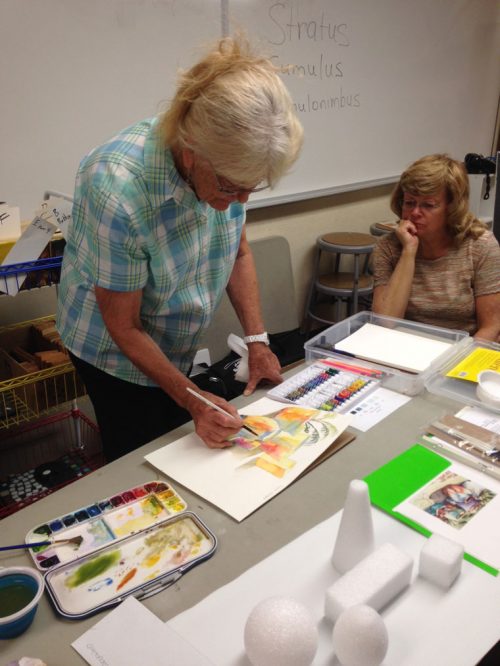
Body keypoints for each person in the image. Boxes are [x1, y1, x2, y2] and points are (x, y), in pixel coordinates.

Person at [56, 36, 303, 462]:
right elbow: (125, 328)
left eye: (252, 189)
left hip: (170, 338)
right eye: (231, 187)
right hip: (113, 350)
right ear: (191, 155)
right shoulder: (116, 185)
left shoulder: (226, 167)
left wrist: (259, 342)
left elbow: (238, 252)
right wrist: (192, 400)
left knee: (186, 442)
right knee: (140, 456)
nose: (241, 201)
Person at [372, 154, 500, 341]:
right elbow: (386, 323)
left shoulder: (480, 246)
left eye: (428, 205)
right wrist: (408, 252)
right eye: (409, 203)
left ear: (452, 207)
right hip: (403, 346)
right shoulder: (388, 247)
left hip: (462, 351)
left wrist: (452, 367)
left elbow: (491, 328)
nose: (415, 213)